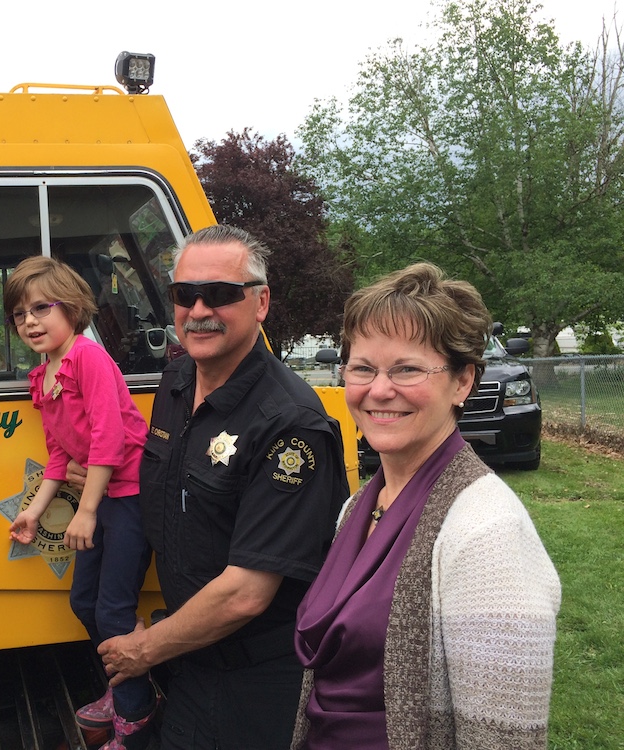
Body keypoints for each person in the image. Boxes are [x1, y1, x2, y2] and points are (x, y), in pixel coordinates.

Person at [94, 224, 350, 750]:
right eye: (184, 294)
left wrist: (143, 652)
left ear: (261, 303)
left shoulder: (290, 424)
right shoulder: (177, 381)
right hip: (186, 656)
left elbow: (246, 595)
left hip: (252, 679)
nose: (199, 309)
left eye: (221, 294)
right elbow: (162, 504)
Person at [292, 263, 561, 749]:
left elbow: (503, 740)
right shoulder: (358, 507)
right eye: (362, 368)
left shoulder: (487, 534)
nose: (378, 390)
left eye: (407, 369)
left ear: (462, 382)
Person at [2, 256, 157, 750]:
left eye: (41, 308)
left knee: (112, 611)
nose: (30, 321)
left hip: (127, 496)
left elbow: (109, 438)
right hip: (100, 494)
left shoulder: (86, 358)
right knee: (84, 602)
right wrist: (34, 510)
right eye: (19, 314)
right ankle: (126, 681)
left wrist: (87, 510)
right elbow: (58, 455)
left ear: (71, 307)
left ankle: (135, 718)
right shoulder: (42, 377)